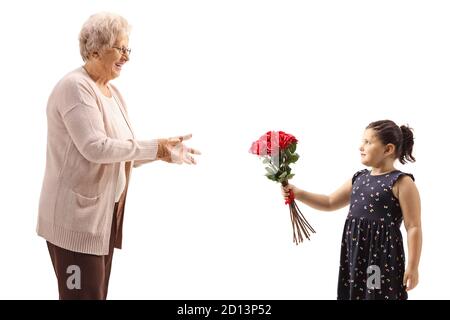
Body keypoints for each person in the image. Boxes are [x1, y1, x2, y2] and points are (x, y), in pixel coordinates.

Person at [37, 12, 201, 299]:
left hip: (101, 221)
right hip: (75, 222)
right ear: (96, 48)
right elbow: (96, 148)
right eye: (121, 48)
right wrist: (156, 147)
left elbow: (118, 152)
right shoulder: (76, 88)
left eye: (128, 49)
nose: (127, 56)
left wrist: (164, 154)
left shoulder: (111, 93)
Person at [282, 120, 422, 300]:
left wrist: (413, 266)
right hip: (355, 254)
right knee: (354, 294)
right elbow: (330, 201)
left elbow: (414, 226)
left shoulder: (401, 182)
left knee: (376, 294)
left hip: (380, 258)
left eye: (368, 142)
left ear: (388, 149)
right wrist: (298, 193)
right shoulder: (359, 178)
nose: (360, 147)